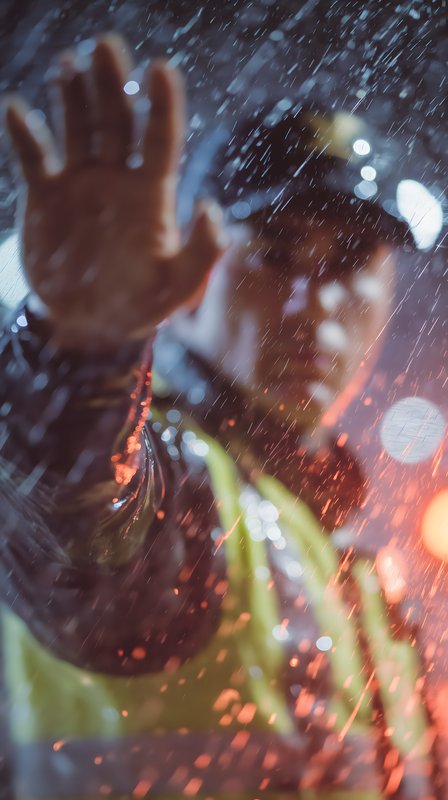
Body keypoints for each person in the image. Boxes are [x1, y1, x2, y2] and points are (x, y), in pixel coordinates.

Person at [0, 34, 440, 799]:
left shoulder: (338, 554)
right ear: (194, 275)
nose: (313, 304)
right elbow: (79, 517)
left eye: (351, 262)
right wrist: (81, 353)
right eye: (275, 252)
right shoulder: (182, 489)